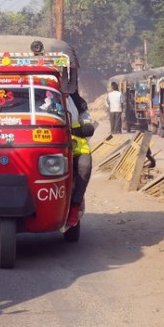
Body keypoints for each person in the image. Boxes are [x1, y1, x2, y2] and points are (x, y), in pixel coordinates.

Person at [67, 91, 93, 226]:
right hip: (47, 145)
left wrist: (82, 128)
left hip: (76, 147)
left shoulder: (77, 101)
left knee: (85, 166)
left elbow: (88, 126)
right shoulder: (36, 93)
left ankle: (75, 206)